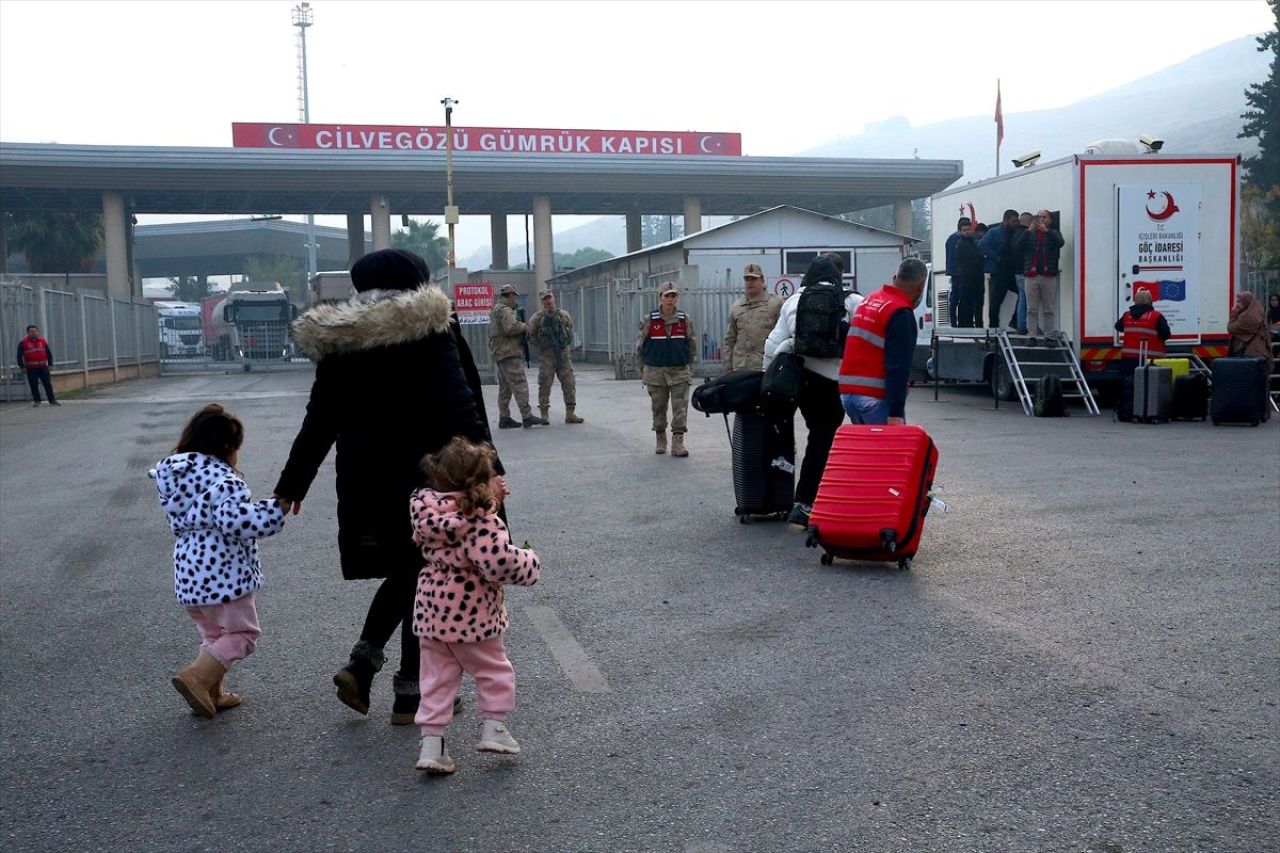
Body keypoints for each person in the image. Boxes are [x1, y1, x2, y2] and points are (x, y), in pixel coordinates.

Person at [274, 248, 498, 726]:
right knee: (427, 572)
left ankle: (373, 668)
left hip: (365, 481)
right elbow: (461, 404)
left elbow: (320, 420)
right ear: (418, 283)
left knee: (412, 571)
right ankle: (403, 688)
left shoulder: (342, 342)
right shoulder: (430, 329)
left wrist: (292, 483)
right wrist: (488, 470)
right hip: (431, 479)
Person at [409, 436, 541, 774]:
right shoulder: (480, 521)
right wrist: (528, 561)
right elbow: (496, 563)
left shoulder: (427, 515)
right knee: (494, 671)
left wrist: (491, 497)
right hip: (473, 615)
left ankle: (432, 745)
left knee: (436, 680)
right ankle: (494, 729)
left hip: (432, 613)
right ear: (479, 482)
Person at [149, 404, 286, 718]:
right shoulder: (223, 482)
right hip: (224, 575)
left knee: (214, 636)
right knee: (242, 635)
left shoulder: (177, 479)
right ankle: (197, 676)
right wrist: (275, 509)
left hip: (188, 572)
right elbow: (238, 521)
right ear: (226, 448)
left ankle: (212, 692)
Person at [763, 255, 863, 526]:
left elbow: (772, 345)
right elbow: (866, 339)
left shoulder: (793, 300)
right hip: (833, 381)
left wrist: (767, 377)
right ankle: (807, 502)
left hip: (799, 379)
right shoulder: (851, 300)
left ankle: (779, 494)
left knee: (793, 436)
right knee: (822, 440)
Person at [838, 258, 928, 426]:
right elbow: (898, 366)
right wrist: (896, 412)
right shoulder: (900, 312)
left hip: (849, 394)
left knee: (871, 451)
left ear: (895, 277)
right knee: (890, 451)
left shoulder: (869, 300)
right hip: (874, 398)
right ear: (921, 286)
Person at [636, 284, 697, 457]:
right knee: (659, 407)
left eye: (673, 296)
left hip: (679, 370)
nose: (670, 300)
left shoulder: (685, 319)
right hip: (655, 371)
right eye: (667, 296)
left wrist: (688, 365)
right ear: (660, 298)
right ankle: (660, 436)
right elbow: (640, 346)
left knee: (680, 407)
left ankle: (678, 442)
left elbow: (692, 344)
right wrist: (642, 369)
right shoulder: (649, 320)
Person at [527, 289, 584, 425]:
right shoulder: (537, 318)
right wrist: (542, 345)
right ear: (542, 301)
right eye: (545, 299)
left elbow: (570, 330)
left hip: (563, 355)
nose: (548, 301)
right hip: (547, 356)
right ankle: (544, 415)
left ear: (554, 298)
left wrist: (565, 344)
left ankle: (570, 414)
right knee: (545, 384)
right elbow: (530, 335)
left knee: (569, 384)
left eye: (550, 298)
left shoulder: (564, 315)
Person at [490, 284, 540, 429]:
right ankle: (527, 416)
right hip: (509, 352)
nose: (515, 298)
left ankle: (504, 417)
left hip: (500, 353)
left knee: (505, 387)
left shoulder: (496, 309)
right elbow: (510, 328)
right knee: (520, 384)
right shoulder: (506, 311)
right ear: (510, 295)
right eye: (514, 295)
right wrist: (525, 326)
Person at [722, 263, 783, 372]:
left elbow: (783, 337)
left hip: (764, 367)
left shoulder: (775, 303)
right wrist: (728, 365)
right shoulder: (737, 306)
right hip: (740, 367)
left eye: (754, 279)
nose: (750, 282)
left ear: (762, 280)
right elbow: (730, 338)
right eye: (747, 279)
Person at [1021, 209, 1065, 341]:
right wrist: (1028, 231)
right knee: (1031, 309)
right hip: (1031, 275)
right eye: (1039, 217)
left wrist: (1048, 232)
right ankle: (1032, 336)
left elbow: (1060, 243)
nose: (1041, 220)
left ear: (1050, 220)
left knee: (1048, 309)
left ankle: (1049, 336)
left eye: (1044, 217)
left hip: (1048, 275)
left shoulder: (1054, 233)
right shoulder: (1029, 234)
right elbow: (1017, 246)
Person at [979, 209, 1021, 329]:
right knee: (995, 303)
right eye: (1013, 221)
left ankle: (1015, 320)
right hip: (998, 273)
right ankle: (993, 329)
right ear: (1006, 220)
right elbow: (982, 245)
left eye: (1017, 221)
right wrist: (996, 257)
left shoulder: (1015, 232)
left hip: (1012, 272)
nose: (1016, 223)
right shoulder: (994, 232)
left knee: (1024, 295)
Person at [1114, 290, 1171, 376]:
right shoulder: (1156, 316)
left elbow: (1118, 327)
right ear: (1150, 301)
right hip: (1151, 360)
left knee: (1130, 383)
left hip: (1129, 359)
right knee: (1151, 385)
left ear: (1135, 301)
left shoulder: (1127, 316)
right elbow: (1166, 334)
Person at [1228, 291, 1276, 387]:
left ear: (1247, 302)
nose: (1238, 305)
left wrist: (1234, 314)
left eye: (1240, 302)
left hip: (1251, 354)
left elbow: (1231, 328)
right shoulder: (1257, 312)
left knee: (1250, 386)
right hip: (1256, 353)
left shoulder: (1249, 316)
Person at [16, 324, 59, 407]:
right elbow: (19, 356)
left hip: (43, 367)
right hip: (31, 369)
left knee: (47, 384)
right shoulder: (23, 343)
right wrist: (22, 367)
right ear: (28, 333)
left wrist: (50, 364)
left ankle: (52, 400)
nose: (34, 333)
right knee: (33, 385)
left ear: (37, 332)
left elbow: (49, 354)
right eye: (31, 331)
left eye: (35, 331)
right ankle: (37, 400)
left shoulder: (42, 342)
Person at [955, 222, 987, 327]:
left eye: (969, 229)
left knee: (979, 303)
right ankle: (968, 325)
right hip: (967, 278)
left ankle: (978, 324)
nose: (967, 232)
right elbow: (975, 258)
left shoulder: (972, 242)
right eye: (965, 230)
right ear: (960, 232)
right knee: (968, 303)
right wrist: (981, 258)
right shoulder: (961, 244)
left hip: (977, 277)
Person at [1008, 213, 1034, 334]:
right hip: (1025, 272)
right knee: (1026, 300)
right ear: (1029, 222)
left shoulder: (1014, 234)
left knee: (1022, 298)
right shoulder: (1026, 234)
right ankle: (1022, 326)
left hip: (1017, 272)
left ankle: (1018, 323)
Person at [943, 217, 971, 327]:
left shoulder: (952, 239)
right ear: (960, 229)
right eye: (965, 229)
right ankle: (956, 323)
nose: (968, 232)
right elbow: (954, 257)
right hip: (959, 273)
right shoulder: (955, 240)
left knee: (958, 298)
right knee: (957, 298)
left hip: (957, 272)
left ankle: (957, 322)